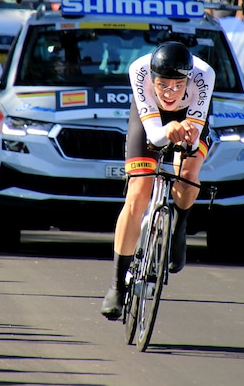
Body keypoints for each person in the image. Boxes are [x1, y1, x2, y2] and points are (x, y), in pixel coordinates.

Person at [100, 41, 216, 320]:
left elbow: (194, 135)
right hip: (150, 122)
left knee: (187, 175)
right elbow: (153, 136)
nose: (170, 92)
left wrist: (184, 134)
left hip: (189, 120)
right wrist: (168, 128)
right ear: (152, 78)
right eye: (163, 84)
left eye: (178, 85)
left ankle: (178, 226)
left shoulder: (204, 74)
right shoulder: (138, 70)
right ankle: (117, 286)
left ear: (188, 79)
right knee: (138, 194)